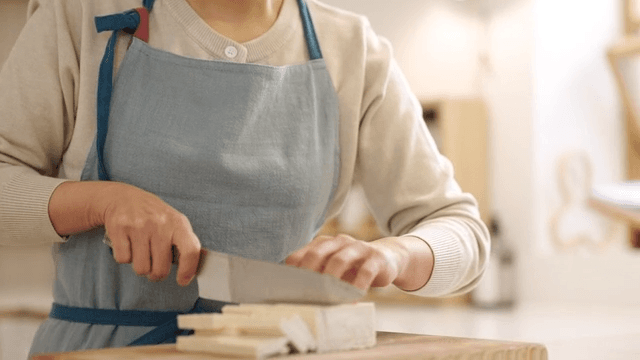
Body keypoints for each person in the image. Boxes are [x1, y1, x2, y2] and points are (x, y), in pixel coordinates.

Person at [0, 0, 489, 355]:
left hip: (282, 349)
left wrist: (394, 254)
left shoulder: (353, 49)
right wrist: (101, 202)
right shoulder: (82, 17)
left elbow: (460, 231)